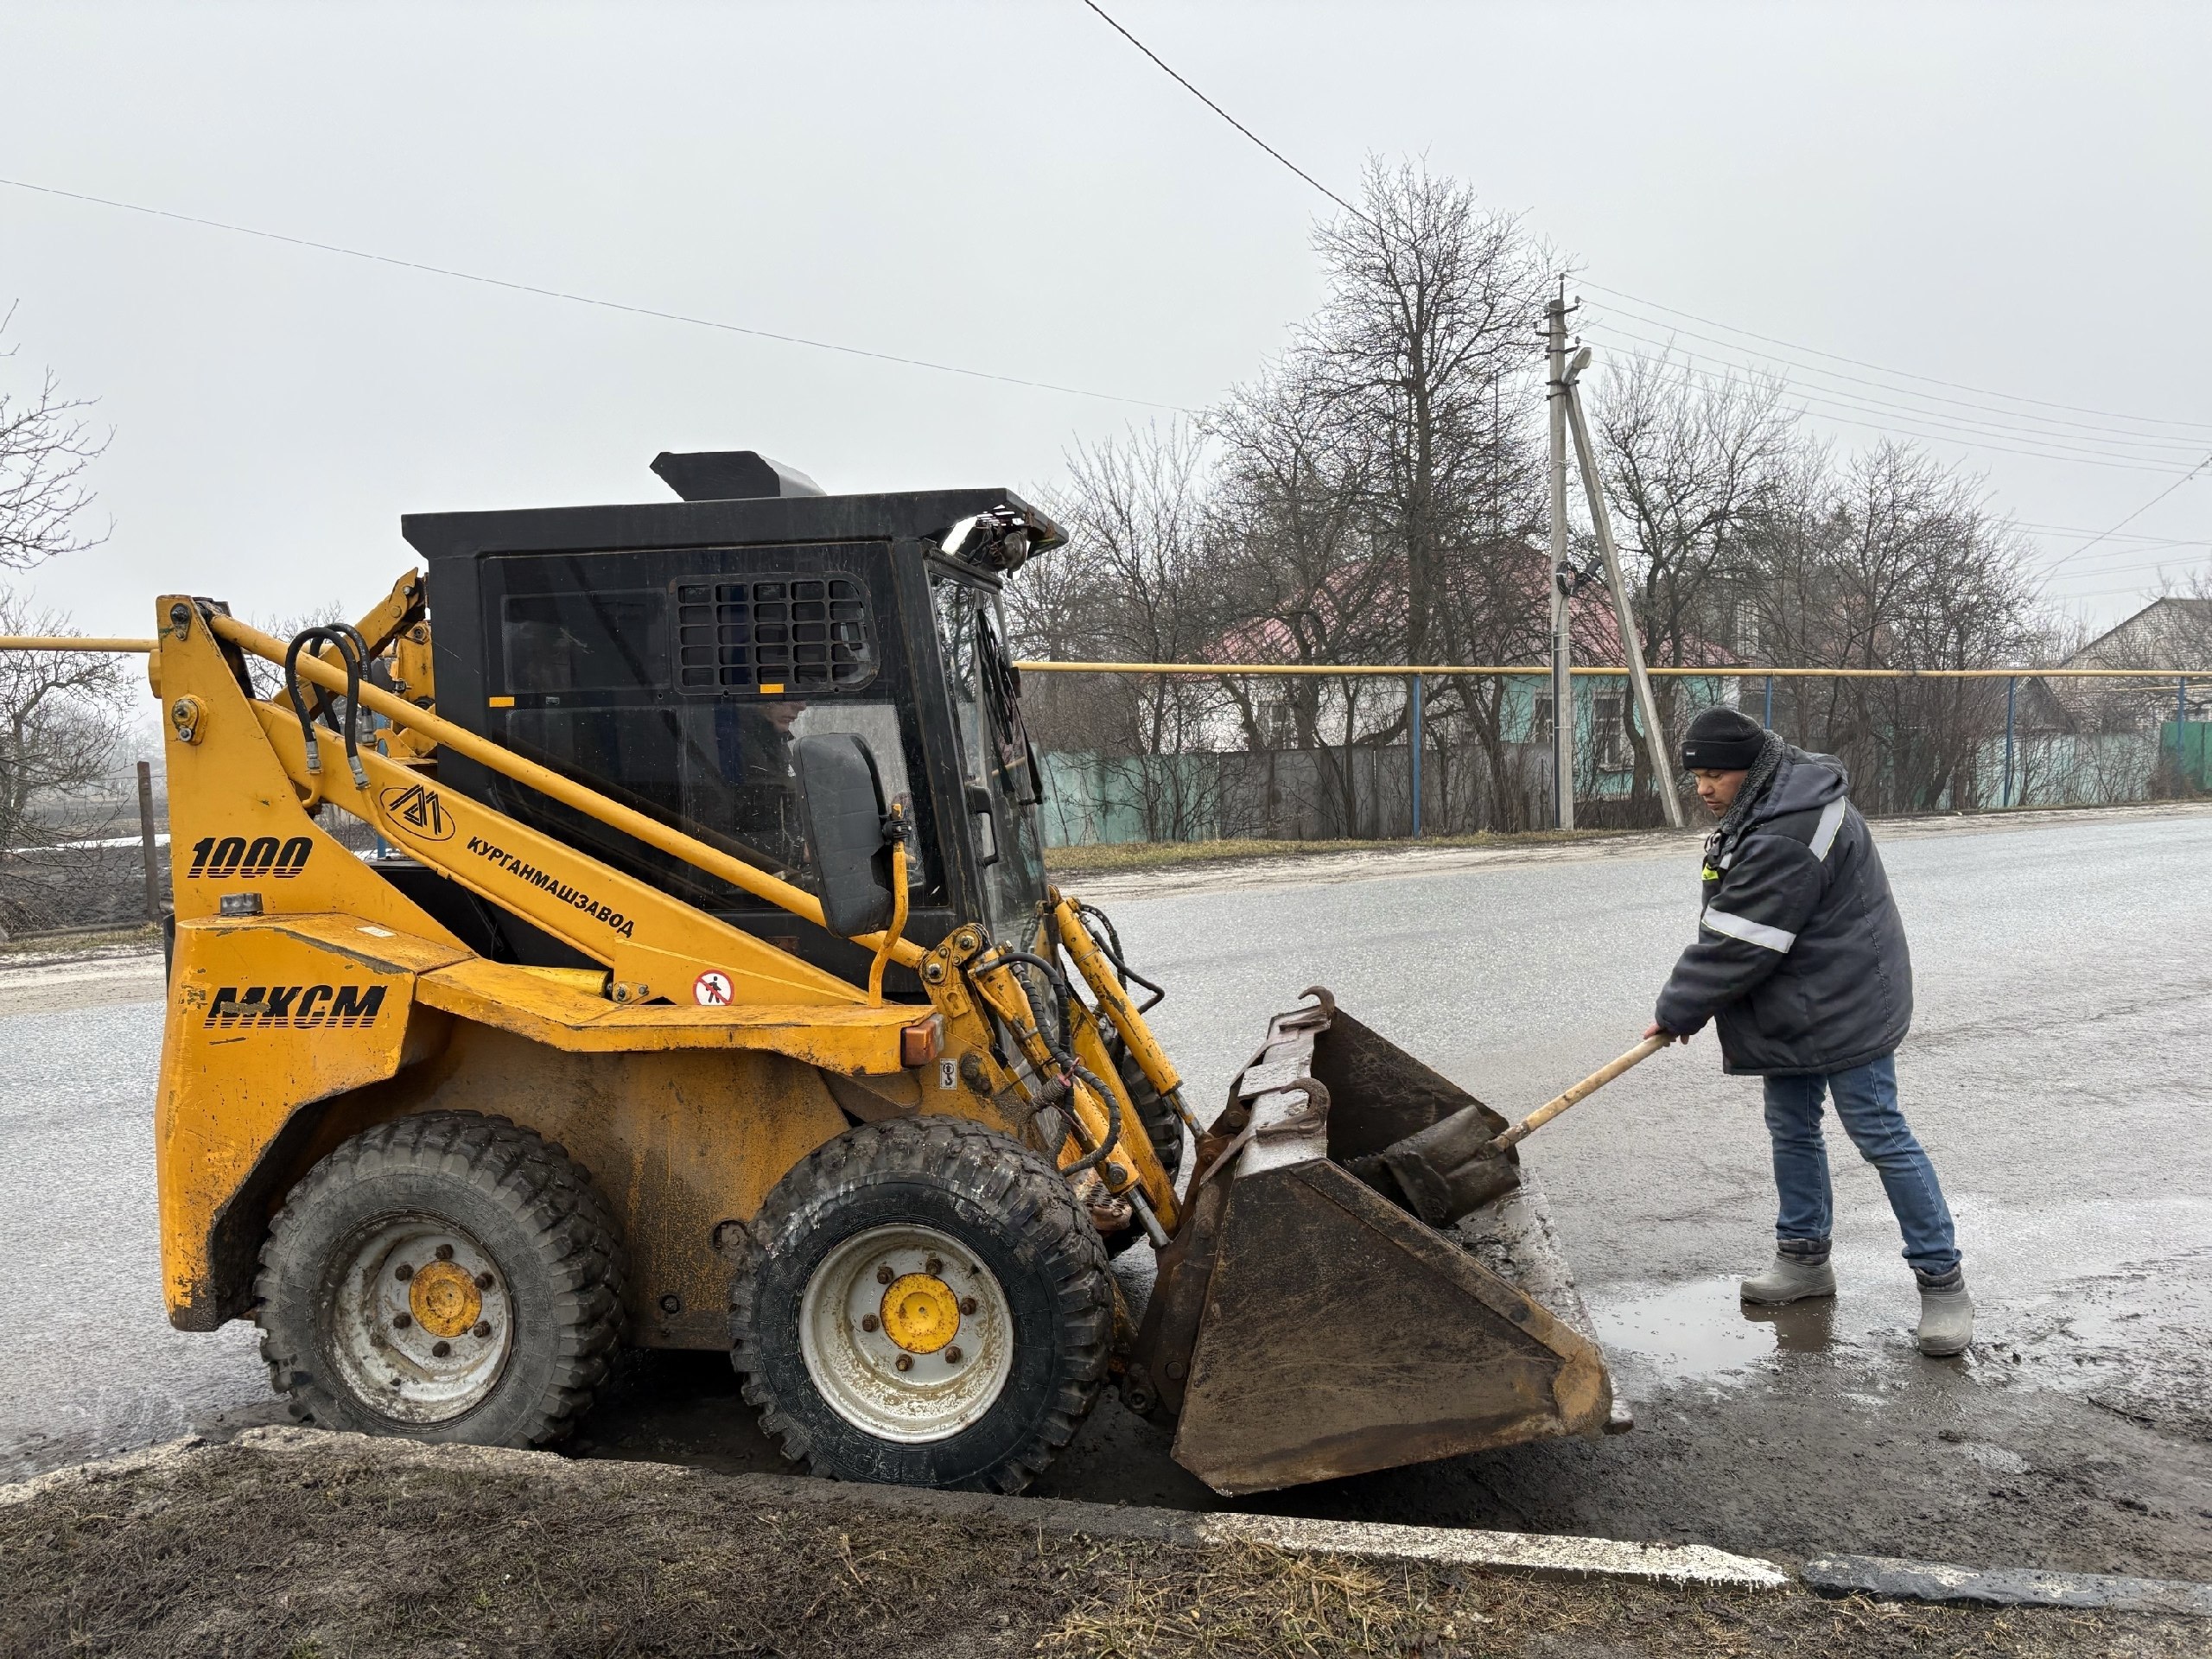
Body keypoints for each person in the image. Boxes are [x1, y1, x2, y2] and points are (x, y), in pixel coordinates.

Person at [1643, 706, 1972, 1357]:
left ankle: (1943, 1285)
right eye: (1697, 777)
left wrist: (1680, 1008)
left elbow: (1741, 937)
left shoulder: (1790, 827)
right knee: (1791, 1127)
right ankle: (1804, 1262)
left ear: (1752, 770)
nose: (1704, 789)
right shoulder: (1767, 805)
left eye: (1716, 775)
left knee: (1880, 1133)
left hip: (1848, 998)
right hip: (1794, 994)